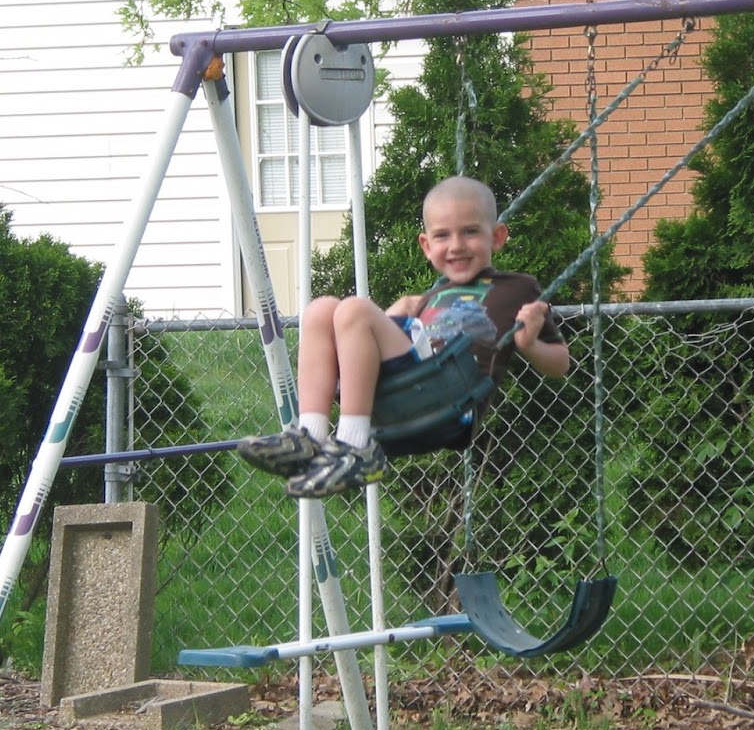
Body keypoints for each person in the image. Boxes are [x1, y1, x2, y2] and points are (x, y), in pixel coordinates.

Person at [236, 175, 570, 497]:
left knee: (353, 310)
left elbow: (560, 363)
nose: (456, 246)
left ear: (496, 236)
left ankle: (356, 446)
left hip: (451, 400)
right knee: (320, 309)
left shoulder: (517, 288)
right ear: (426, 246)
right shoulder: (429, 297)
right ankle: (310, 435)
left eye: (470, 232)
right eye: (442, 236)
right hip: (408, 383)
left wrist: (529, 343)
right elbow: (380, 338)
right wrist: (394, 315)